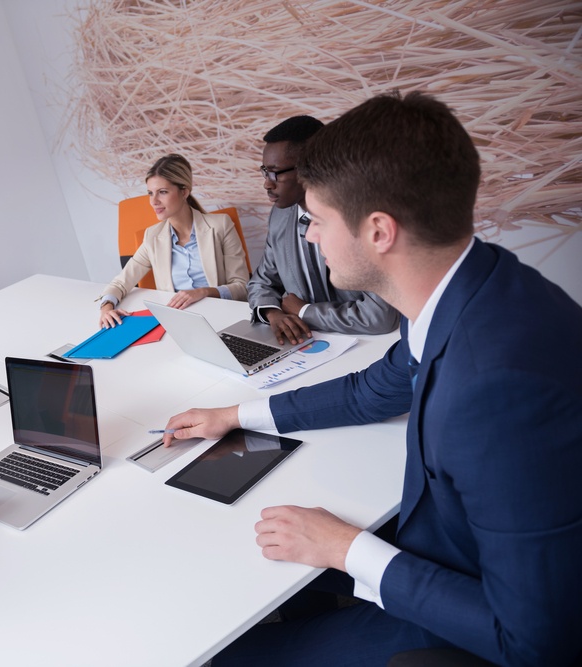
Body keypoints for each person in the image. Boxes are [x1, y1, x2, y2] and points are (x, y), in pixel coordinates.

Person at [163, 92, 582, 665]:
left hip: (459, 620)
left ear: (379, 231)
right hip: (442, 549)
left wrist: (344, 546)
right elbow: (368, 391)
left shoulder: (497, 387)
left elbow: (530, 639)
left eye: (320, 220)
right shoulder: (470, 289)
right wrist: (232, 417)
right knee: (240, 562)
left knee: (227, 652)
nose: (307, 236)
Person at [248, 115, 399, 344]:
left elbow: (379, 316)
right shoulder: (280, 215)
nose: (267, 183)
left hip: (366, 346)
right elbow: (262, 282)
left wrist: (305, 312)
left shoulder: (359, 219)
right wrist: (273, 314)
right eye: (264, 171)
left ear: (311, 167)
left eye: (275, 172)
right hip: (302, 345)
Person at [99, 154, 250, 328]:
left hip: (222, 318)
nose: (154, 201)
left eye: (162, 192)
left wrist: (204, 292)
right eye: (150, 193)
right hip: (178, 323)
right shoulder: (153, 237)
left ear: (184, 191)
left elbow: (242, 287)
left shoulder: (220, 226)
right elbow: (120, 283)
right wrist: (106, 307)